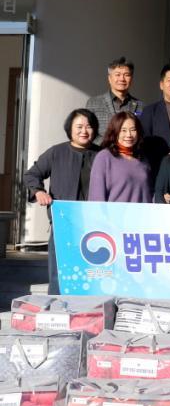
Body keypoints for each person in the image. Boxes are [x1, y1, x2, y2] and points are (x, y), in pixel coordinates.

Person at [24, 109, 101, 294]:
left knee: (90, 273)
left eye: (89, 126)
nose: (84, 131)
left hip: (94, 224)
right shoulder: (56, 152)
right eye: (79, 126)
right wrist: (38, 191)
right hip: (63, 222)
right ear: (70, 129)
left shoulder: (102, 155)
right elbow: (32, 174)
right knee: (59, 273)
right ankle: (57, 306)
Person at [89, 112, 152, 203]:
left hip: (142, 212)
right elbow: (96, 197)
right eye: (123, 130)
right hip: (114, 212)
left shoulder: (143, 159)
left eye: (133, 130)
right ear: (115, 132)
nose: (129, 135)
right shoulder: (104, 157)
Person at [86, 57, 143, 138]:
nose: (122, 79)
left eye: (126, 75)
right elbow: (88, 131)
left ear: (131, 79)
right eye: (117, 74)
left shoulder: (139, 105)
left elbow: (140, 132)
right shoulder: (94, 103)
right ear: (109, 78)